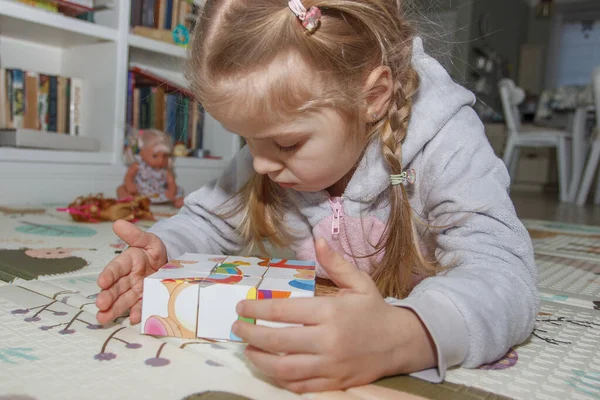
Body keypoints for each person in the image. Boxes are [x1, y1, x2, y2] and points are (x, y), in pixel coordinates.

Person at [96, 0, 538, 393]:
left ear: (374, 98)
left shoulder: (446, 141)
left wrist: (404, 336)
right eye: (246, 140)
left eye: (286, 144)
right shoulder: (270, 150)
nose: (261, 164)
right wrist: (165, 251)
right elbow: (209, 219)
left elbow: (504, 276)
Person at [117, 129, 185, 208]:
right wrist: (130, 185)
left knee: (177, 192)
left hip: (159, 193)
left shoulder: (165, 171)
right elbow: (129, 176)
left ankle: (178, 201)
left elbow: (171, 182)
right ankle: (128, 201)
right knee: (121, 189)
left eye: (165, 156)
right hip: (139, 193)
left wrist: (171, 191)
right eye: (155, 156)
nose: (161, 160)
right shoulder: (138, 166)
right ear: (142, 153)